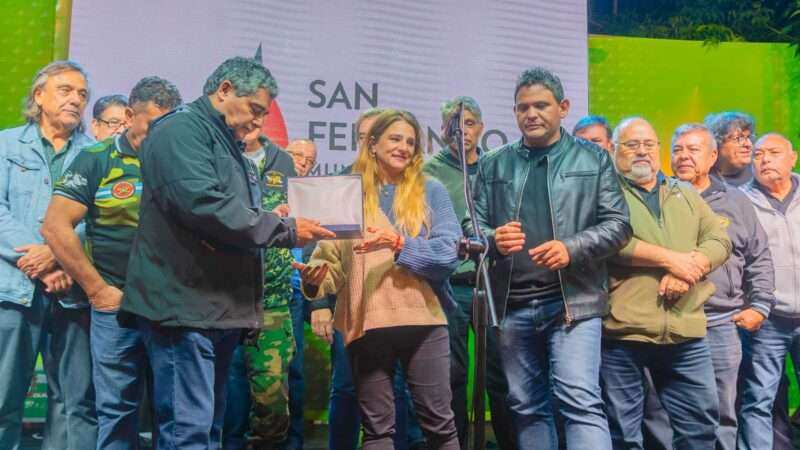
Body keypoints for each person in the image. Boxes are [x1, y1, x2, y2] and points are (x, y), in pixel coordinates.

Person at [120, 56, 334, 449]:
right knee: (188, 430)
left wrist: (269, 217)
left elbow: (231, 213)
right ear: (224, 90)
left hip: (214, 309)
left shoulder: (223, 141)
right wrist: (284, 229)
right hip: (183, 308)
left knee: (208, 429)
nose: (259, 122)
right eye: (255, 110)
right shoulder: (181, 130)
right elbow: (204, 206)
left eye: (264, 115)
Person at [465, 67, 631, 449]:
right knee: (526, 406)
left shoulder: (593, 159)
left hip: (573, 303)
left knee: (579, 400)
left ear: (563, 107)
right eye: (523, 107)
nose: (531, 114)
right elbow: (470, 226)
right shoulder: (494, 163)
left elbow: (620, 225)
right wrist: (492, 237)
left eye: (541, 105)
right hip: (511, 305)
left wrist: (570, 247)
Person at [299, 109, 461, 450]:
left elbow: (448, 254)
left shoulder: (431, 191)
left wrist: (400, 244)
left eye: (411, 142)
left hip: (424, 322)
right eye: (395, 138)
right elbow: (330, 264)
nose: (403, 147)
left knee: (440, 427)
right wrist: (315, 283)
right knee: (377, 431)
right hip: (366, 322)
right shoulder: (345, 194)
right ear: (372, 144)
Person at [41, 76, 182, 449]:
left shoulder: (182, 161)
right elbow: (56, 226)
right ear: (130, 116)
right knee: (116, 411)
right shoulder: (96, 158)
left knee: (175, 414)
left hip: (172, 309)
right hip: (115, 309)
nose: (160, 136)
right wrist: (96, 289)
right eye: (152, 125)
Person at [640, 123, 776, 450]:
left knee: (721, 412)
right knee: (657, 411)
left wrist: (759, 306)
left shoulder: (736, 201)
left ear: (713, 156)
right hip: (663, 319)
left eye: (693, 149)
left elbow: (759, 257)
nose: (683, 156)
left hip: (720, 324)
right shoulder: (653, 196)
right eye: (677, 149)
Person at [601, 117, 732, 450]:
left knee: (700, 429)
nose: (641, 152)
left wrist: (689, 268)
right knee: (623, 436)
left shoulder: (684, 192)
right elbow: (607, 242)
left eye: (649, 145)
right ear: (614, 151)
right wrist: (668, 258)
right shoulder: (604, 194)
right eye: (632, 145)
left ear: (658, 150)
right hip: (622, 333)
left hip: (685, 333)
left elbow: (719, 239)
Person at [308, 108, 422, 450]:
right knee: (345, 386)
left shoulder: (411, 190)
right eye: (367, 137)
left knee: (396, 387)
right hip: (351, 308)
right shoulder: (344, 185)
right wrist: (319, 305)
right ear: (365, 143)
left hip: (397, 306)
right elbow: (323, 253)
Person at [0, 60, 96, 450]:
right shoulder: (6, 144)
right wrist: (39, 262)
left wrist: (57, 255)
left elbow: (103, 218)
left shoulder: (96, 153)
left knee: (74, 405)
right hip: (14, 289)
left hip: (73, 292)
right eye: (66, 90)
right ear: (39, 96)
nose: (76, 100)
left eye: (82, 94)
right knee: (3, 398)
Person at [422, 96, 516, 450]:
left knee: (501, 374)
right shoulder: (429, 171)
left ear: (481, 127)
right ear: (443, 129)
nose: (462, 130)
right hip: (451, 285)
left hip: (495, 284)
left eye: (470, 123)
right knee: (454, 374)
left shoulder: (496, 167)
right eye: (453, 123)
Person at [738, 133, 800, 450]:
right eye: (758, 154)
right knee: (758, 398)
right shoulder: (741, 201)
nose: (764, 160)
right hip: (767, 319)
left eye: (774, 152)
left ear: (793, 158)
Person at [705, 111, 756, 186]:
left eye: (748, 137)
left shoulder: (759, 174)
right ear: (717, 143)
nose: (748, 144)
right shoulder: (704, 179)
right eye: (738, 138)